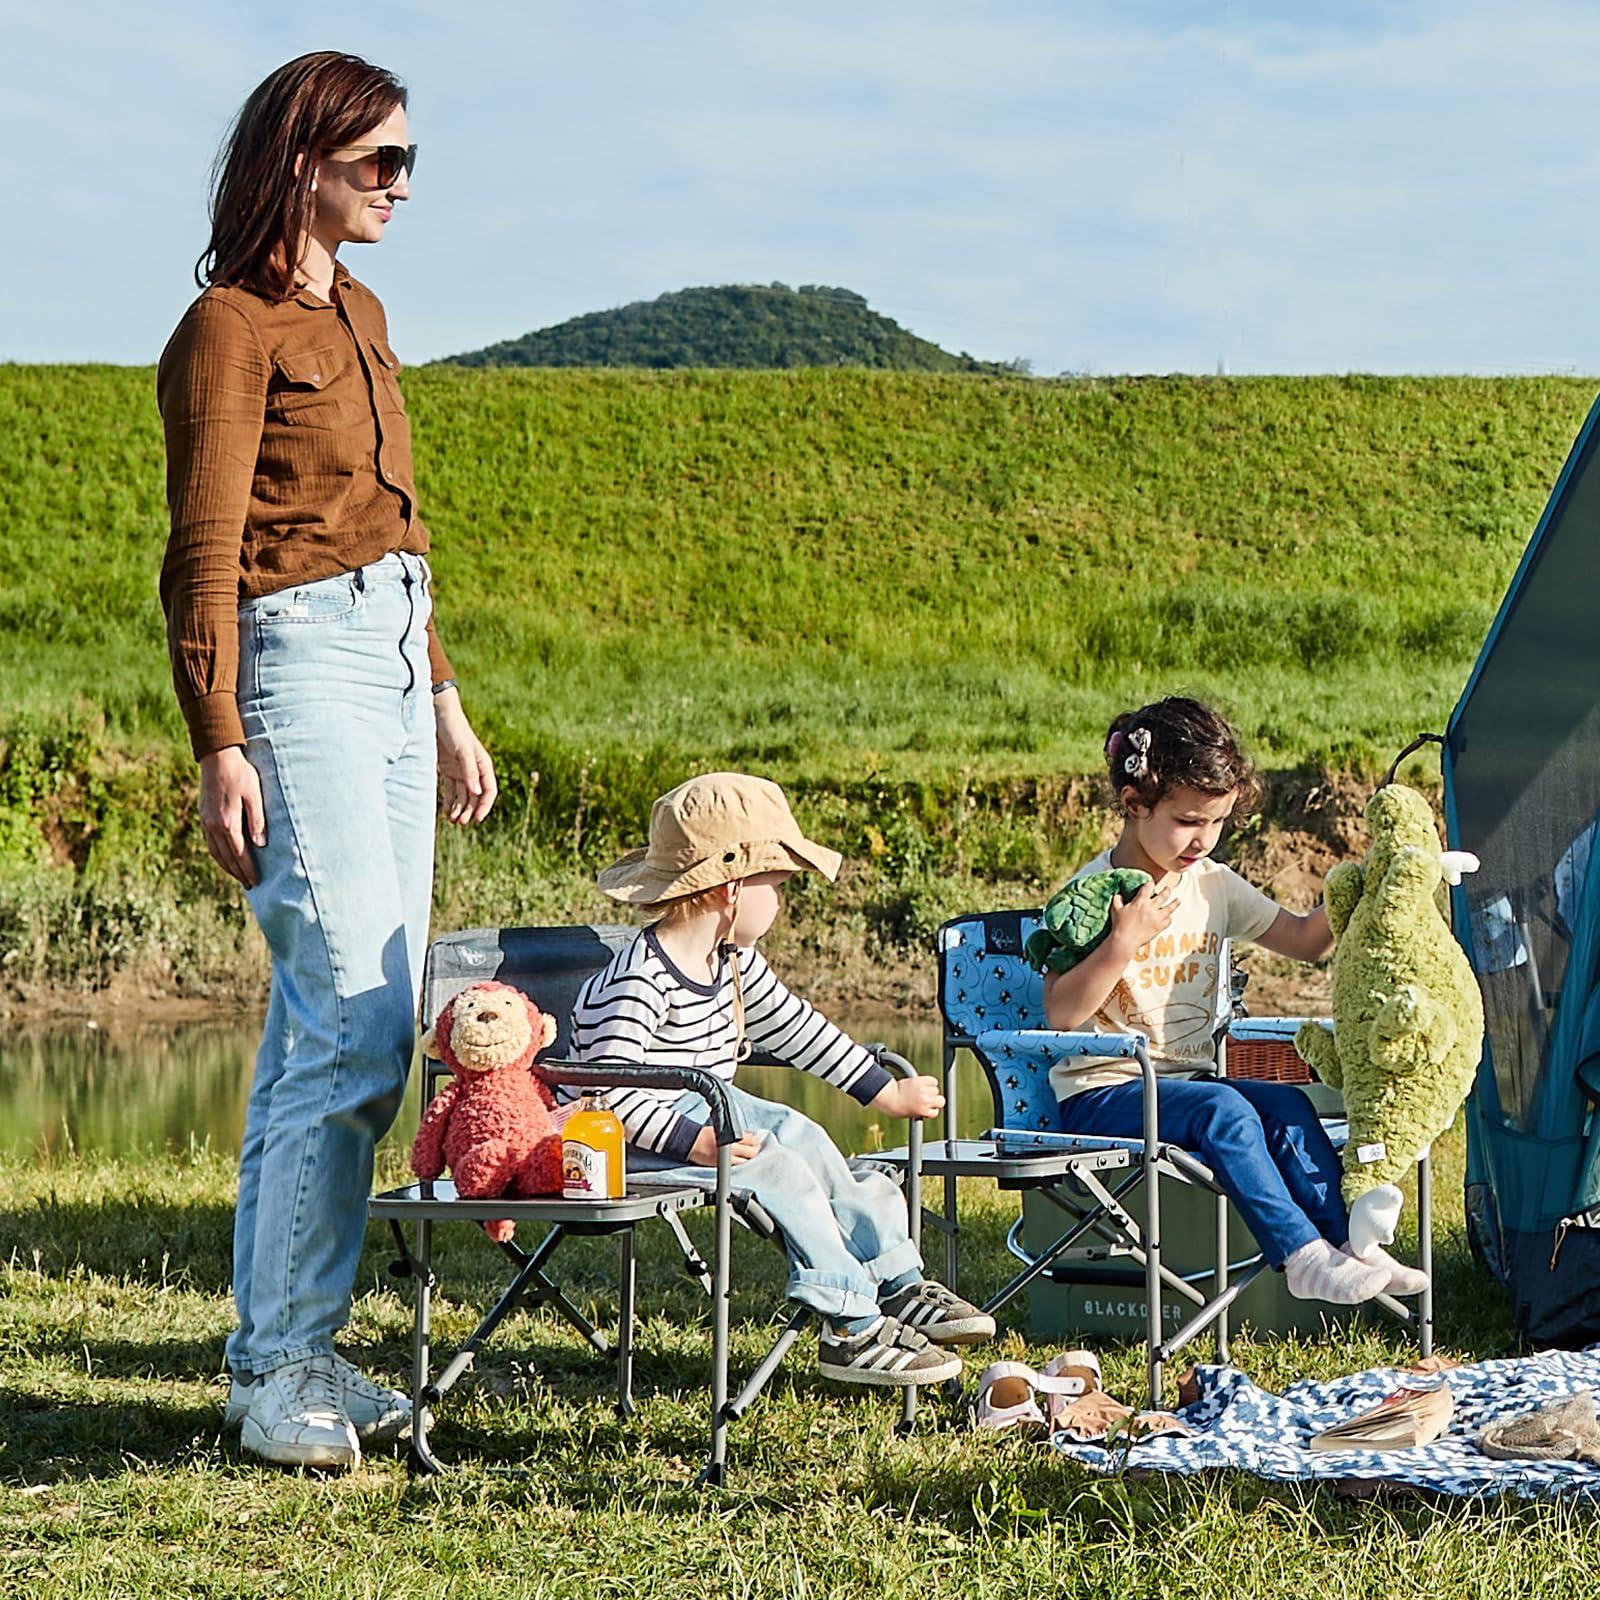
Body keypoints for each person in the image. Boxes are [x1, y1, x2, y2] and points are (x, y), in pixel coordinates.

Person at [157, 52, 497, 1470]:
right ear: (300, 159)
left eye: (410, 162)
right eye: (380, 164)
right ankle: (272, 1369)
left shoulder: (361, 312)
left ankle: (302, 1351)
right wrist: (219, 740)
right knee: (345, 1017)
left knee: (365, 1013)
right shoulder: (227, 329)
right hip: (290, 664)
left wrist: (444, 697)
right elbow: (203, 554)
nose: (402, 187)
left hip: (387, 659)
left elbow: (397, 531)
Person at [567, 772, 996, 1386]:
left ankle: (897, 1280)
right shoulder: (641, 978)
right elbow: (603, 1093)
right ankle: (848, 1324)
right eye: (778, 886)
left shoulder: (732, 962)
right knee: (781, 1168)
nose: (782, 901)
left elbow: (800, 1029)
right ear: (731, 890)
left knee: (806, 1134)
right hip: (627, 1145)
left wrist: (882, 1088)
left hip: (710, 1112)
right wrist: (694, 1142)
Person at [1039, 697, 1428, 1304]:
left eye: (1217, 822)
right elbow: (1061, 1014)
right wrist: (1121, 943)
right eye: (1189, 821)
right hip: (1103, 1096)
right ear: (1134, 804)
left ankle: (1348, 1246)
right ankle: (1301, 1256)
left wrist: (1369, 883)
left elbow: (1303, 939)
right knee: (1225, 1109)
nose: (1204, 839)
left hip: (1185, 1087)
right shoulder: (1093, 898)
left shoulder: (1212, 884)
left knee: (1287, 1107)